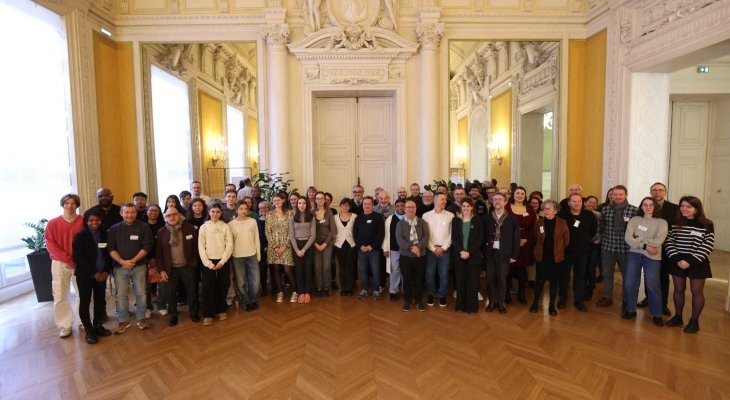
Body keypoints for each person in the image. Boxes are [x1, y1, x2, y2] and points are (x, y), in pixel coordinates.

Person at [664, 196, 715, 334]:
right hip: (677, 261)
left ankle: (694, 321)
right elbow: (669, 241)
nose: (684, 209)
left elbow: (708, 245)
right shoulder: (674, 222)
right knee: (678, 290)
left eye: (688, 207)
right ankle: (678, 317)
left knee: (696, 292)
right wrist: (677, 259)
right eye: (682, 206)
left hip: (697, 262)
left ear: (696, 209)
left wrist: (690, 261)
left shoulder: (706, 224)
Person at [107, 203, 154, 333]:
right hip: (119, 267)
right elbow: (111, 248)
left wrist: (132, 261)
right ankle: (123, 320)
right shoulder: (114, 229)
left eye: (132, 212)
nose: (129, 215)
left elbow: (147, 246)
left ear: (136, 213)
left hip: (139, 266)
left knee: (141, 293)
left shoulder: (144, 227)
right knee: (121, 295)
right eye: (126, 212)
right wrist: (123, 261)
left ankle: (141, 318)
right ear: (121, 213)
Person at [623, 197, 668, 325]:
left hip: (653, 256)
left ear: (655, 207)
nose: (648, 207)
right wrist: (645, 245)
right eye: (645, 204)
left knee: (652, 285)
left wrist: (639, 239)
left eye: (651, 205)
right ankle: (631, 310)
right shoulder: (634, 220)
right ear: (641, 207)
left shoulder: (662, 222)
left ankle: (656, 314)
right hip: (634, 254)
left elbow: (658, 241)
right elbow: (628, 237)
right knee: (630, 283)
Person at [637, 182, 679, 315]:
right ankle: (648, 299)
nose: (657, 192)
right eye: (654, 190)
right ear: (650, 192)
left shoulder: (674, 208)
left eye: (660, 190)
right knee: (649, 275)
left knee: (663, 276)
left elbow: (676, 229)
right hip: (647, 248)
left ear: (665, 192)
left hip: (666, 248)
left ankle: (663, 304)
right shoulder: (646, 206)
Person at [46, 193, 84, 338]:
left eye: (73, 203)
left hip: (80, 263)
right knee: (60, 295)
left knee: (83, 294)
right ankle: (64, 326)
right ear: (62, 204)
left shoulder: (83, 221)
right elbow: (51, 245)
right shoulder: (53, 223)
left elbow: (87, 241)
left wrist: (78, 259)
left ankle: (83, 321)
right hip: (59, 263)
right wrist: (68, 259)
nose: (70, 206)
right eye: (67, 203)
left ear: (77, 205)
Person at [72, 209, 113, 344]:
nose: (94, 222)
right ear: (86, 221)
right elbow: (78, 258)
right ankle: (89, 329)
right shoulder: (80, 236)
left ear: (102, 221)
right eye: (91, 220)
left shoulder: (106, 235)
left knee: (100, 301)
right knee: (85, 301)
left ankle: (97, 325)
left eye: (97, 220)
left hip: (102, 274)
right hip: (85, 275)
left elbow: (109, 254)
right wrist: (94, 272)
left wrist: (106, 271)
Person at [155, 206, 200, 326]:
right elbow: (158, 255)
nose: (172, 217)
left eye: (174, 214)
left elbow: (196, 247)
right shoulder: (161, 232)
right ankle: (173, 315)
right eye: (169, 215)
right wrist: (161, 270)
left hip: (187, 265)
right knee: (171, 293)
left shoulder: (189, 228)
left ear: (179, 215)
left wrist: (194, 262)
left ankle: (193, 313)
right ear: (165, 218)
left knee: (192, 291)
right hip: (170, 268)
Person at [596, 185, 638, 310]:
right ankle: (607, 297)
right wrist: (598, 237)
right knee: (607, 273)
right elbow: (601, 227)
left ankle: (626, 299)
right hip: (608, 247)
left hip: (626, 249)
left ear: (626, 195)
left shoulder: (634, 211)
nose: (618, 196)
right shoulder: (605, 210)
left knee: (627, 275)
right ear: (612, 195)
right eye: (615, 194)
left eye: (621, 194)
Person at [557, 193, 598, 312]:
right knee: (564, 276)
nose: (577, 203)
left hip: (582, 251)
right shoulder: (562, 215)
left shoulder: (589, 215)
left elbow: (593, 231)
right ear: (569, 203)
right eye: (574, 201)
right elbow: (558, 232)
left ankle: (578, 300)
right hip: (566, 251)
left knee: (580, 276)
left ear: (583, 203)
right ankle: (562, 299)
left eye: (579, 201)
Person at [530, 200, 570, 316]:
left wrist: (559, 250)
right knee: (539, 282)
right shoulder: (539, 223)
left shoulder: (562, 223)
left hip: (556, 258)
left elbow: (566, 240)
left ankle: (551, 305)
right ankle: (535, 303)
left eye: (549, 208)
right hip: (542, 257)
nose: (546, 211)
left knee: (554, 282)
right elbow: (535, 237)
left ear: (555, 210)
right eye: (545, 208)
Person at [484, 193, 520, 314]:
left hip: (504, 254)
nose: (497, 201)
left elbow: (516, 238)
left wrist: (514, 255)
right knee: (489, 279)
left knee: (502, 279)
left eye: (500, 199)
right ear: (492, 202)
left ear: (505, 202)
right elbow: (481, 237)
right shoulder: (486, 218)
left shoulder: (512, 219)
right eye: (495, 199)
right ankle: (492, 301)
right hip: (490, 253)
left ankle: (500, 302)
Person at [197, 203, 233, 326]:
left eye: (218, 212)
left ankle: (221, 309)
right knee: (208, 287)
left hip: (223, 260)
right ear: (209, 212)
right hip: (208, 262)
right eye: (213, 211)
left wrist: (222, 261)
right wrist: (209, 264)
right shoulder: (204, 227)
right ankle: (208, 314)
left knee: (223, 284)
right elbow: (201, 247)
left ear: (221, 213)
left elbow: (229, 245)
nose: (215, 214)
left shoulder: (225, 226)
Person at [505, 186, 536, 305]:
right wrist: (514, 240)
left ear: (525, 195)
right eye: (517, 193)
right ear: (513, 195)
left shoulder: (529, 208)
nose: (520, 195)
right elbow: (503, 226)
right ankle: (506, 293)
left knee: (522, 270)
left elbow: (533, 226)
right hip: (510, 243)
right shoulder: (507, 207)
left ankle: (521, 293)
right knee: (509, 270)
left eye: (522, 193)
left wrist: (525, 239)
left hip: (525, 243)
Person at [452, 198, 484, 314]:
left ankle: (472, 307)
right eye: (463, 206)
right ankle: (460, 306)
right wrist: (461, 251)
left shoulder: (478, 220)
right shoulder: (456, 220)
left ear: (472, 207)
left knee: (472, 282)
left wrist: (469, 252)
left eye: (468, 206)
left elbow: (480, 239)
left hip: (473, 256)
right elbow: (454, 239)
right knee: (460, 282)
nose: (466, 208)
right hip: (459, 256)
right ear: (461, 207)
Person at [396, 200, 430, 312]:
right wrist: (413, 248)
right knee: (406, 280)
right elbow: (400, 240)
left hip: (420, 256)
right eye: (408, 207)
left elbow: (426, 237)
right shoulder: (400, 223)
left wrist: (418, 247)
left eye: (413, 207)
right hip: (405, 257)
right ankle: (407, 301)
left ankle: (419, 301)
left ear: (416, 209)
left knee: (418, 280)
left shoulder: (422, 222)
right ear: (404, 209)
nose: (411, 209)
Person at [422, 192, 455, 307]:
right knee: (429, 274)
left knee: (444, 274)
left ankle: (442, 296)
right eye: (442, 199)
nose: (444, 201)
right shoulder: (426, 216)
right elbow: (424, 235)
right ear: (435, 200)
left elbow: (452, 235)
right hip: (430, 250)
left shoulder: (451, 216)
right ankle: (431, 294)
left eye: (445, 199)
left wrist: (443, 248)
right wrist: (432, 248)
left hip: (445, 250)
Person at [229, 201, 261, 312]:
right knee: (241, 281)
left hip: (252, 254)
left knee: (255, 281)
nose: (243, 211)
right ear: (237, 210)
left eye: (245, 209)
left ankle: (253, 299)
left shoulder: (252, 222)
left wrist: (258, 254)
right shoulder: (231, 224)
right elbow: (230, 242)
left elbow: (257, 238)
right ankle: (246, 301)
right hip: (237, 256)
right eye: (241, 208)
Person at [266, 193, 297, 303]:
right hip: (273, 246)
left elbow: (292, 231)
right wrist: (275, 247)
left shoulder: (290, 213)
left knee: (287, 269)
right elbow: (267, 232)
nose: (276, 202)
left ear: (283, 200)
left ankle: (295, 291)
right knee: (276, 269)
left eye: (278, 200)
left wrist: (285, 246)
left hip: (286, 246)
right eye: (274, 201)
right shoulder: (269, 214)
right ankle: (280, 292)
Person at [353, 196, 385, 300]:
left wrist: (371, 246)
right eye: (365, 204)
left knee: (375, 270)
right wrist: (360, 246)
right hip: (361, 250)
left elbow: (380, 234)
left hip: (374, 249)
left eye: (368, 204)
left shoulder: (378, 217)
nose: (366, 206)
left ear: (372, 205)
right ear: (362, 205)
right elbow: (355, 235)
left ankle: (376, 290)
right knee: (363, 270)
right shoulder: (358, 218)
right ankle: (365, 289)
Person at [290, 197, 315, 303]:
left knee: (308, 270)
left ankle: (307, 292)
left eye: (304, 203)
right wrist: (297, 250)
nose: (301, 205)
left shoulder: (311, 217)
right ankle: (301, 293)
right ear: (297, 204)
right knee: (299, 271)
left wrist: (304, 250)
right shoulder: (293, 217)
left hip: (308, 245)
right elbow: (291, 235)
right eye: (299, 203)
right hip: (296, 245)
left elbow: (313, 235)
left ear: (307, 204)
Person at [312, 191, 336, 297]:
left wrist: (325, 244)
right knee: (317, 266)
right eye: (318, 198)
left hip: (327, 242)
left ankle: (326, 287)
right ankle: (319, 287)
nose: (320, 200)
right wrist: (316, 244)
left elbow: (333, 230)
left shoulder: (329, 212)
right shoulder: (311, 212)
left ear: (325, 200)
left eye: (322, 198)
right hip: (315, 243)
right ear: (315, 200)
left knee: (326, 266)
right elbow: (309, 230)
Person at [144, 204, 165, 318]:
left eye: (156, 210)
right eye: (151, 210)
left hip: (160, 259)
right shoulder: (141, 225)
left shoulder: (163, 225)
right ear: (147, 212)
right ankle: (148, 307)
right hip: (145, 260)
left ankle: (161, 305)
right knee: (146, 286)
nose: (153, 212)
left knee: (162, 285)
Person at [382, 199, 406, 301]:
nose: (400, 208)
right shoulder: (390, 219)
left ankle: (406, 290)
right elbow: (386, 235)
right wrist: (385, 248)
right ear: (395, 207)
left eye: (402, 206)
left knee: (406, 271)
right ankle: (393, 291)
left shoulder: (409, 218)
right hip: (394, 249)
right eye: (397, 206)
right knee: (394, 270)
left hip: (407, 250)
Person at [334, 198, 357, 296]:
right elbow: (332, 231)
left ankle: (350, 287)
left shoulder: (355, 216)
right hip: (339, 244)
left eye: (347, 205)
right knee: (342, 266)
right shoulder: (335, 217)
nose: (345, 207)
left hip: (351, 244)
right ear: (340, 206)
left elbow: (357, 230)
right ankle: (343, 287)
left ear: (350, 207)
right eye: (343, 205)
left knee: (351, 266)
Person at [584, 195, 602, 298]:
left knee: (591, 267)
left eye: (594, 203)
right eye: (589, 202)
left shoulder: (598, 215)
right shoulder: (580, 213)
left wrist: (600, 238)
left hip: (594, 244)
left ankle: (590, 288)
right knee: (583, 267)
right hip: (582, 244)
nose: (592, 204)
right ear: (585, 203)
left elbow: (602, 228)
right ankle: (582, 287)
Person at [257, 201, 271, 296]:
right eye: (261, 208)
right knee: (262, 269)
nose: (263, 209)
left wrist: (270, 246)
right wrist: (264, 247)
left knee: (274, 269)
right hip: (261, 249)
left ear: (269, 209)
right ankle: (264, 288)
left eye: (265, 207)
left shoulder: (273, 220)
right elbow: (258, 236)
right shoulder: (256, 221)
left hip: (273, 247)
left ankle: (275, 288)